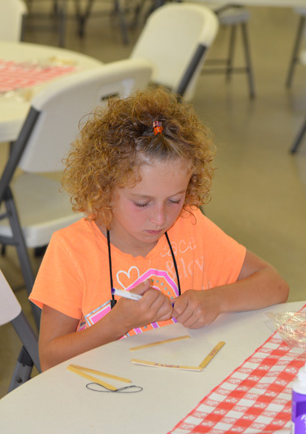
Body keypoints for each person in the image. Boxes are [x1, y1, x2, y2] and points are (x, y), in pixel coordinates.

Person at [30, 88, 289, 371]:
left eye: (175, 200)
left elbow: (274, 286)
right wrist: (118, 323)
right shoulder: (71, 250)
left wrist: (215, 300)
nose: (160, 218)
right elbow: (49, 360)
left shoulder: (191, 226)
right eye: (142, 203)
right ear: (104, 189)